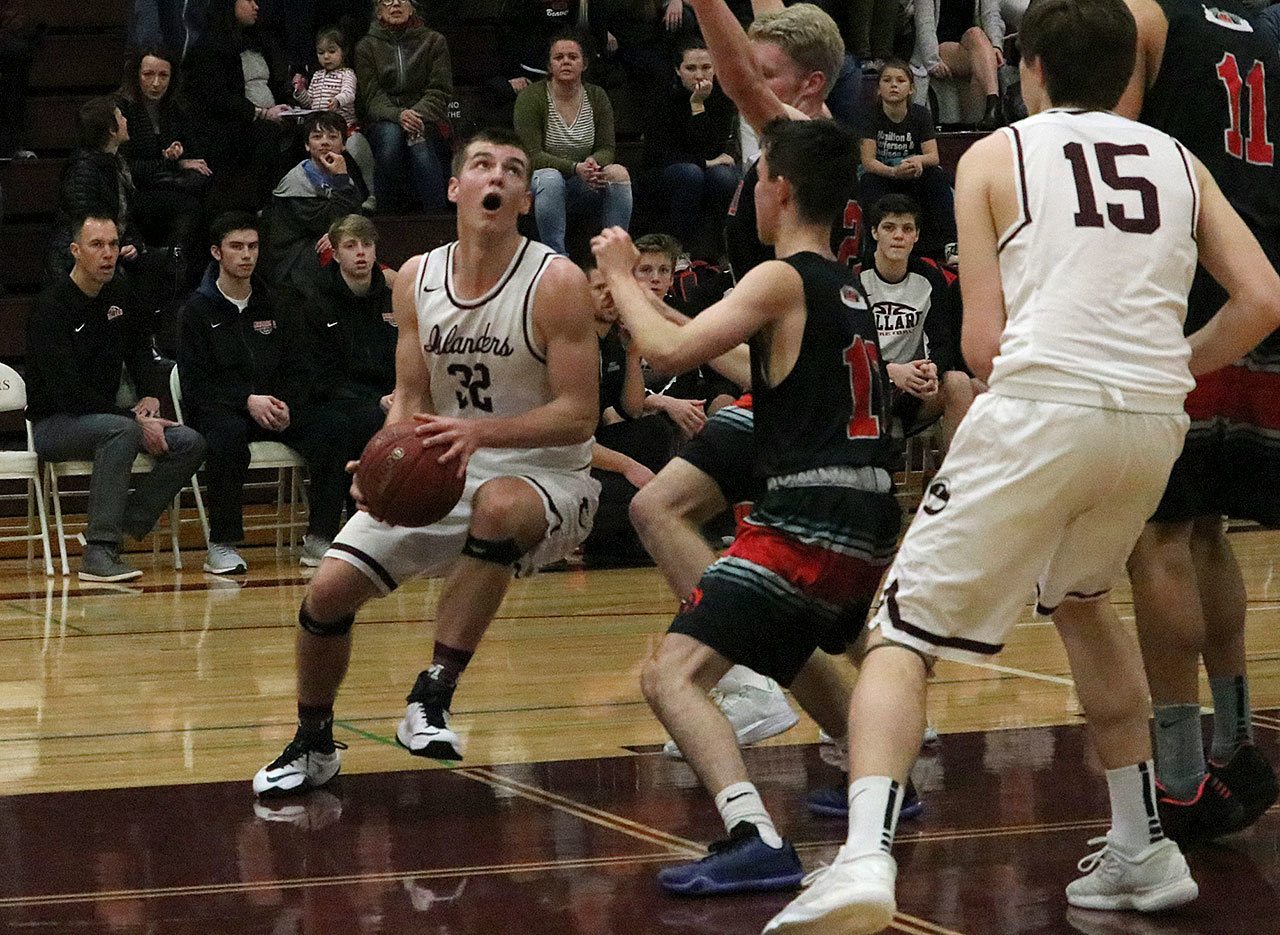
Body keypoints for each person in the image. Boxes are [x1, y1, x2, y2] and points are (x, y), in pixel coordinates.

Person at [766, 1, 1280, 930]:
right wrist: (1177, 361)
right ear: (1128, 66)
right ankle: (1141, 845)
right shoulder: (1179, 159)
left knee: (900, 634)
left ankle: (861, 859)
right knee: (1084, 600)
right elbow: (1265, 298)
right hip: (1152, 421)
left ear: (1030, 65)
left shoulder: (996, 153)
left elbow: (984, 339)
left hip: (1048, 403)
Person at [594, 116, 900, 895]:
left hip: (810, 513)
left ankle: (752, 833)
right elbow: (742, 362)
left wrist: (624, 276)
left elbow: (667, 357)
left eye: (757, 180)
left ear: (781, 187)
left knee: (670, 675)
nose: (751, 195)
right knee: (785, 646)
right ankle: (882, 779)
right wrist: (661, 312)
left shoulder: (780, 276)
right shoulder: (843, 285)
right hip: (865, 515)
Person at [251, 128, 601, 797]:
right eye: (480, 163)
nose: (495, 175)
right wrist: (383, 461)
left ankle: (431, 695)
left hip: (547, 473)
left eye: (511, 169)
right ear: (455, 188)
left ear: (523, 198)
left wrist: (481, 433)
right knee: (327, 590)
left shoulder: (556, 282)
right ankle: (313, 740)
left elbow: (578, 412)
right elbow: (410, 395)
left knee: (498, 506)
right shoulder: (416, 277)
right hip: (447, 458)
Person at [627, 0, 858, 763]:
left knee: (806, 604)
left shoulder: (807, 147)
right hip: (787, 374)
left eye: (769, 78)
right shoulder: (794, 156)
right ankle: (797, 694)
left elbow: (729, 68)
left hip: (813, 397)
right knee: (658, 506)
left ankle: (759, 670)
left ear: (811, 83)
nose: (745, 91)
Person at [1117, 0, 1280, 847]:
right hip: (1263, 282)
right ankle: (1239, 742)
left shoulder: (1148, 16)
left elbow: (1114, 154)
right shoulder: (1267, 25)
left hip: (1185, 291)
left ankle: (1179, 778)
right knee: (1211, 531)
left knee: (1160, 539)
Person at [27, 215, 207, 582]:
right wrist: (132, 418)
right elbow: (69, 393)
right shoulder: (51, 307)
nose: (108, 254)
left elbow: (141, 353)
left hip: (111, 418)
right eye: (97, 245)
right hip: (56, 423)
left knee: (189, 442)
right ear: (76, 251)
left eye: (112, 244)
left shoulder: (121, 295)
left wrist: (151, 397)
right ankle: (98, 554)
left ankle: (118, 527)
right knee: (121, 432)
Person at [177, 212, 351, 574]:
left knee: (333, 427)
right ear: (216, 252)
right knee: (227, 437)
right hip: (222, 408)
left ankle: (320, 537)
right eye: (236, 247)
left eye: (253, 246)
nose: (246, 255)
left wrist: (287, 404)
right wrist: (245, 400)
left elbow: (297, 364)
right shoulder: (196, 310)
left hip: (274, 406)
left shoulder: (278, 302)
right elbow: (196, 383)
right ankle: (221, 544)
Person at [861, 193, 972, 447]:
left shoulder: (931, 278)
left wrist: (933, 368)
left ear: (917, 236)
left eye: (907, 229)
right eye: (889, 228)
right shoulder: (856, 274)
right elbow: (842, 345)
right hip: (867, 385)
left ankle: (954, 482)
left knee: (959, 382)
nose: (898, 236)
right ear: (875, 232)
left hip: (913, 386)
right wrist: (890, 370)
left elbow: (943, 343)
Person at [514, 33, 633, 256]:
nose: (566, 61)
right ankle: (555, 257)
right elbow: (530, 155)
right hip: (540, 183)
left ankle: (614, 255)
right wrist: (575, 167)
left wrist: (593, 163)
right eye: (559, 57)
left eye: (572, 57)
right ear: (550, 65)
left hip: (581, 181)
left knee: (618, 172)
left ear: (584, 64)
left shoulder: (597, 96)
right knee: (550, 177)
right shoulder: (531, 97)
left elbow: (607, 147)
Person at [299, 213, 396, 468]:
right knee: (351, 424)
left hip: (389, 397)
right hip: (339, 401)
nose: (361, 253)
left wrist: (399, 394)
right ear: (336, 254)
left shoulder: (393, 299)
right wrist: (374, 401)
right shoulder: (317, 303)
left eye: (367, 244)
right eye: (351, 245)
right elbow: (321, 377)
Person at [115, 46, 212, 293]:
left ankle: (184, 268)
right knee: (190, 208)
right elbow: (124, 166)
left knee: (205, 189)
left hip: (170, 185)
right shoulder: (122, 110)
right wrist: (170, 161)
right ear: (136, 75)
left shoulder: (176, 108)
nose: (156, 83)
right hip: (136, 191)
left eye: (163, 76)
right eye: (148, 74)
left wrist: (181, 159)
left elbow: (193, 152)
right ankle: (174, 266)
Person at [182, 0, 292, 212]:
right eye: (249, 0)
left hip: (263, 119)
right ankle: (259, 207)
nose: (256, 6)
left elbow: (274, 84)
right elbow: (218, 98)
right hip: (227, 129)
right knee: (266, 134)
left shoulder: (259, 41)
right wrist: (261, 113)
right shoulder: (209, 46)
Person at [644, 40, 741, 258]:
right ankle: (679, 254)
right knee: (690, 174)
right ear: (678, 71)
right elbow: (658, 153)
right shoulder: (662, 97)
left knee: (724, 178)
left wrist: (698, 105)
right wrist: (704, 162)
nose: (699, 75)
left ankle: (723, 255)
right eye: (691, 68)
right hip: (664, 172)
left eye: (706, 68)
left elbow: (711, 146)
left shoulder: (721, 98)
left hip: (703, 169)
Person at [355, 0, 453, 212]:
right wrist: (399, 115)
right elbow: (372, 97)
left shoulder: (434, 41)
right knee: (390, 139)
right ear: (379, 11)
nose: (396, 3)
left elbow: (439, 90)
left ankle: (437, 221)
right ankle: (387, 218)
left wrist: (415, 114)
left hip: (426, 115)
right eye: (387, 0)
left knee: (420, 145)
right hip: (384, 117)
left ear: (412, 8)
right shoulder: (366, 46)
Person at [858, 61, 957, 259]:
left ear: (911, 89)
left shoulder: (920, 114)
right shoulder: (869, 116)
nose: (893, 85)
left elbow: (933, 156)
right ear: (878, 89)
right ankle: (872, 248)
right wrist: (893, 172)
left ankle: (950, 243)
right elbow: (868, 161)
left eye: (900, 80)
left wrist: (918, 161)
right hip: (882, 174)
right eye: (887, 80)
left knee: (936, 176)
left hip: (911, 173)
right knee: (868, 182)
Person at [264, 111, 368, 293]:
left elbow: (357, 220)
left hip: (333, 248)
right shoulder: (295, 184)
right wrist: (337, 233)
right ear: (307, 144)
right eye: (317, 137)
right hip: (296, 258)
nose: (325, 142)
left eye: (333, 137)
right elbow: (323, 222)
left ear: (343, 145)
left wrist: (336, 235)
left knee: (371, 263)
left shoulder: (345, 179)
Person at [292, 26, 376, 201]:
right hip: (320, 127)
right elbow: (310, 102)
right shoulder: (317, 75)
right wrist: (300, 91)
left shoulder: (347, 74)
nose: (326, 57)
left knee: (352, 155)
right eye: (321, 52)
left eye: (332, 51)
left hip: (344, 127)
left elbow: (349, 93)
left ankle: (367, 194)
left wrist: (338, 100)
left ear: (343, 52)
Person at [912, 0, 1005, 128]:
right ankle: (994, 103)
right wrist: (932, 61)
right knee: (976, 39)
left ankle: (980, 121)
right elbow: (924, 24)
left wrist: (996, 46)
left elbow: (992, 15)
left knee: (976, 38)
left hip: (973, 47)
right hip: (939, 47)